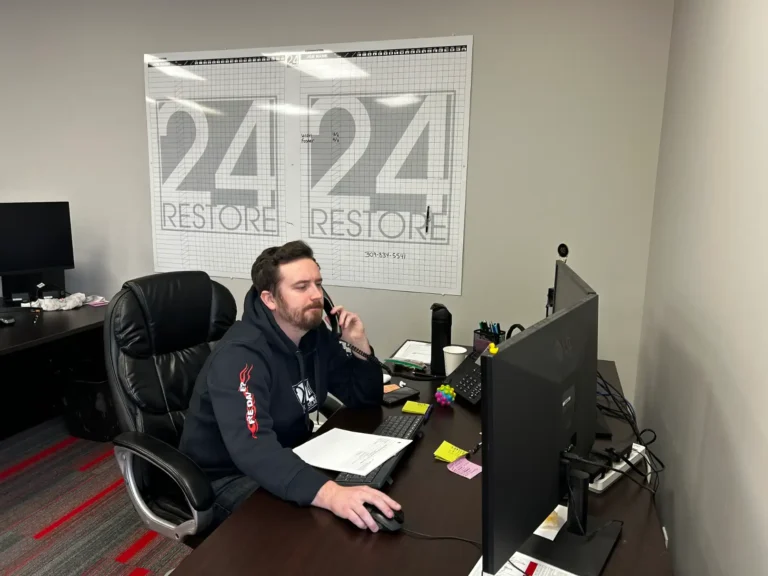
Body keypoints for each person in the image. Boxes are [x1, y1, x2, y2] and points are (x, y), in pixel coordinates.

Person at [179, 240, 400, 534]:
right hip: (227, 477)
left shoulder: (313, 334)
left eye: (318, 284)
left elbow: (363, 398)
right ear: (270, 299)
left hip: (291, 454)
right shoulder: (240, 357)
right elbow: (253, 448)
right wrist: (331, 494)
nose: (316, 296)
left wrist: (359, 346)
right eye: (301, 287)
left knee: (365, 500)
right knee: (318, 530)